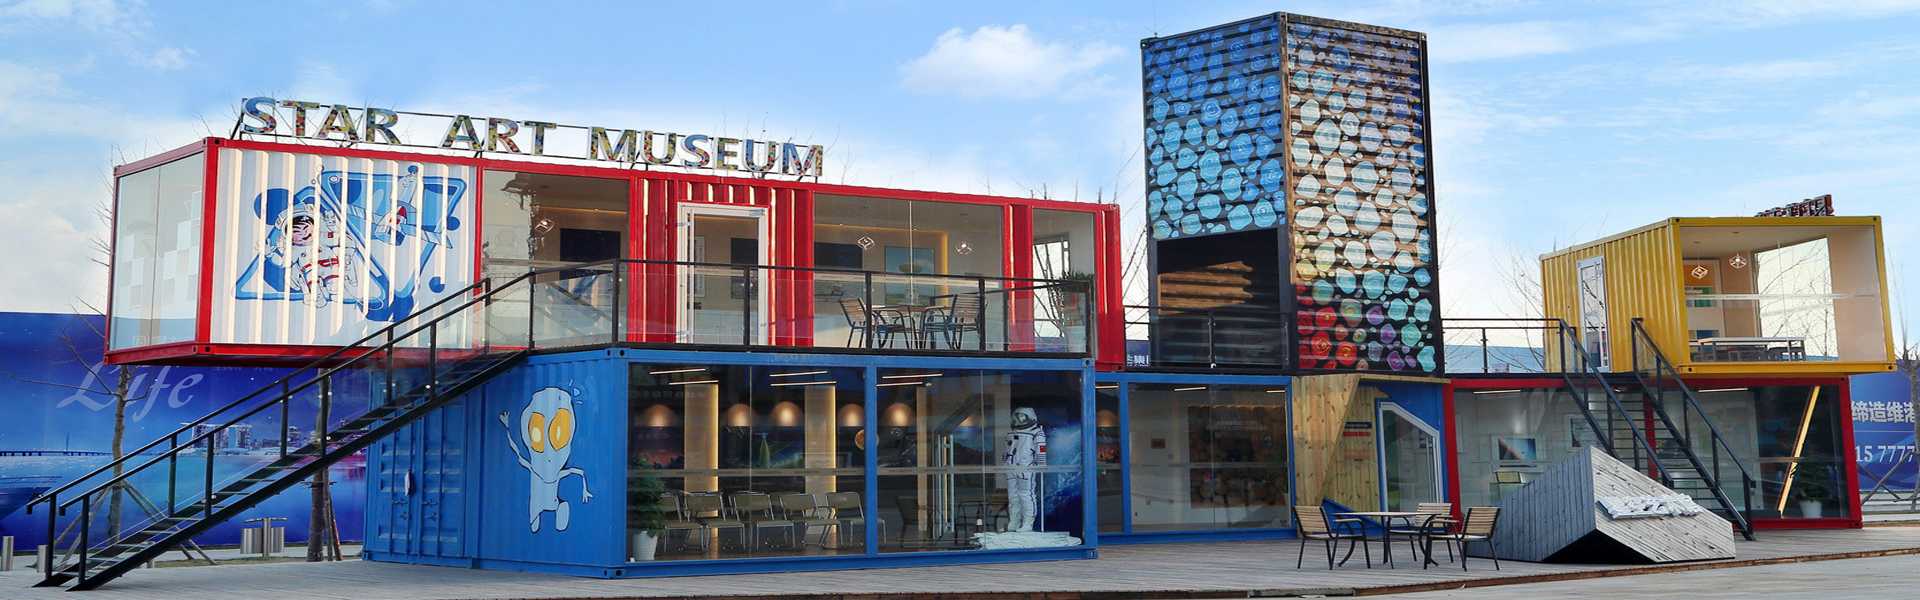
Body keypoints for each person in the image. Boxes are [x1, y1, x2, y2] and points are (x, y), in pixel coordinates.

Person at [1002, 407, 1048, 532]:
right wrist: (1004, 463)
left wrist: (1041, 463)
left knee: (1026, 495)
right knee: (1013, 496)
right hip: (1011, 467)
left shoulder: (1037, 433)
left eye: (1022, 417)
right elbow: (1007, 449)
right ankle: (1014, 521)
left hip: (1026, 468)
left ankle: (1028, 523)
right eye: (1017, 417)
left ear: (1030, 418)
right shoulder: (1011, 433)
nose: (1019, 420)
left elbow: (1041, 449)